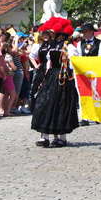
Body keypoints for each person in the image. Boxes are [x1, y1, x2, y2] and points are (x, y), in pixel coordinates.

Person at [31, 17, 78, 148]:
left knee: (61, 106)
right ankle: (44, 136)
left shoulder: (68, 47)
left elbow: (75, 63)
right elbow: (47, 63)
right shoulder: (50, 45)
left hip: (63, 78)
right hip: (51, 76)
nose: (52, 35)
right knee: (44, 103)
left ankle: (61, 137)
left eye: (54, 33)